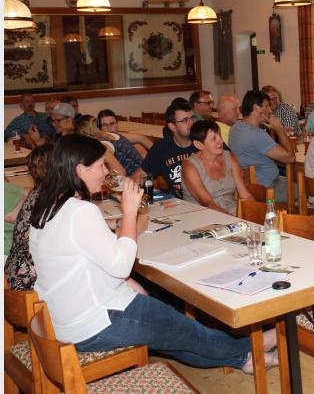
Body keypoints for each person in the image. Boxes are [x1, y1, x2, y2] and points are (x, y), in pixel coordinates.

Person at [27, 134, 277, 372]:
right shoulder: (81, 212)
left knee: (178, 335)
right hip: (97, 322)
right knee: (190, 332)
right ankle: (257, 344)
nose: (106, 172)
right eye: (101, 165)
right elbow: (121, 266)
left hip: (65, 321)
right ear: (80, 170)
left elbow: (93, 261)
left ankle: (242, 359)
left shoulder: (47, 208)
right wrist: (128, 212)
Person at [229, 90, 296, 202]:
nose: (270, 110)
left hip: (246, 186)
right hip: (268, 188)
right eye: (267, 106)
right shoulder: (257, 135)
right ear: (256, 109)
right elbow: (290, 158)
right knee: (304, 190)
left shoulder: (235, 128)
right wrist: (280, 130)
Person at [5, 143, 52, 290]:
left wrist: (45, 188)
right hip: (12, 258)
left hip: (19, 257)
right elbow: (22, 214)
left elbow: (27, 191)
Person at [182, 121, 254, 215]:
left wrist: (257, 214)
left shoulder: (229, 158)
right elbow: (208, 204)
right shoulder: (190, 166)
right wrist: (236, 222)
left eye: (219, 135)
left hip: (232, 212)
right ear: (198, 144)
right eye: (213, 138)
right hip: (203, 216)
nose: (220, 140)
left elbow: (245, 195)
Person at [141, 101, 198, 199]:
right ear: (172, 126)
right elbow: (142, 175)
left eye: (192, 118)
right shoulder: (161, 148)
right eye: (185, 120)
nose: (191, 123)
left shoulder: (205, 140)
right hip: (180, 205)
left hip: (207, 202)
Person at [75, 115, 142, 179]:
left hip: (137, 181)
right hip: (144, 173)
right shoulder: (112, 135)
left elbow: (121, 174)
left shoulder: (101, 146)